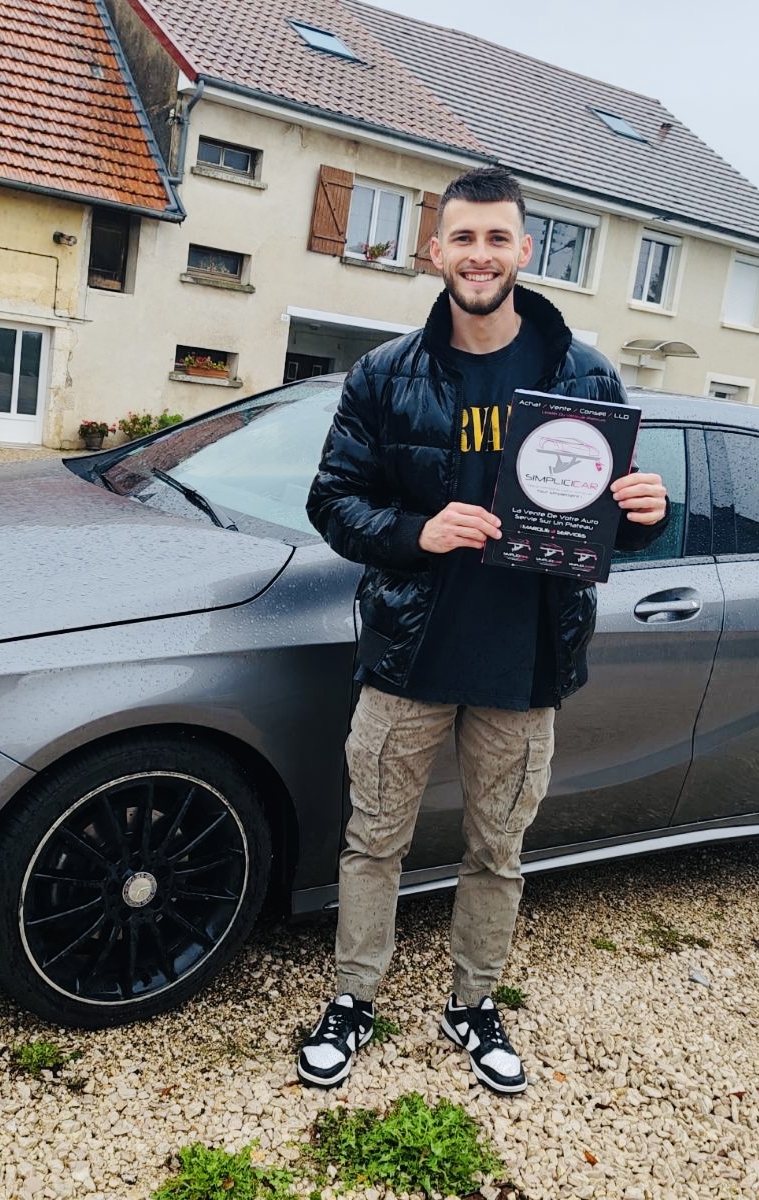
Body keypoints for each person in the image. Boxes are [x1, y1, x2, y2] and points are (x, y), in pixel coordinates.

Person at [300, 166, 669, 1094]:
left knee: (498, 852)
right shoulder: (385, 375)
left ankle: (473, 1003)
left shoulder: (586, 375)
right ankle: (353, 999)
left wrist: (647, 514)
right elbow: (333, 500)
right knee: (373, 841)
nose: (479, 255)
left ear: (524, 250)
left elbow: (606, 519)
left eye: (497, 237)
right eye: (463, 238)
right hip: (409, 655)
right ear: (436, 251)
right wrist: (415, 533)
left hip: (526, 661)